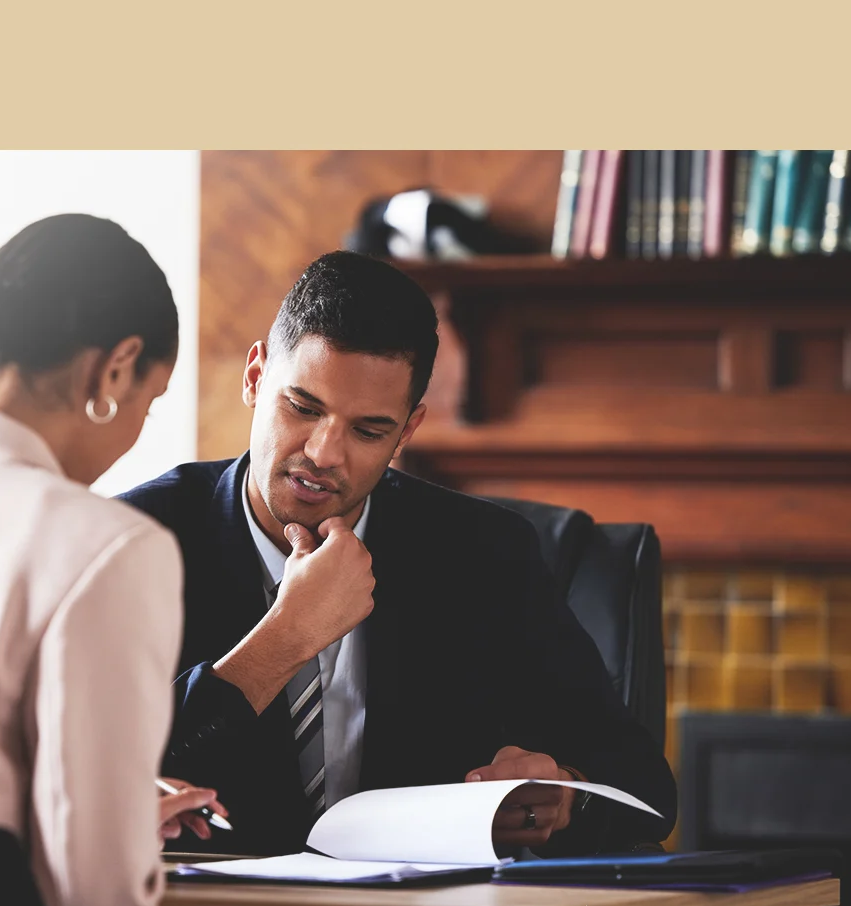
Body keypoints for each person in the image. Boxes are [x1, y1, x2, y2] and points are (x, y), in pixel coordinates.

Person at [120, 251, 676, 856]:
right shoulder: (130, 540)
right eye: (302, 408)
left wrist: (566, 794)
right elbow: (95, 776)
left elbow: (645, 787)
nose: (325, 452)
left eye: (368, 430)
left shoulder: (485, 553)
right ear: (256, 379)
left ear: (406, 431)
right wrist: (286, 636)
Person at [0, 214, 223, 906]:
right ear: (115, 368)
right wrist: (115, 836)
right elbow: (96, 904)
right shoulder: (107, 547)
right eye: (149, 405)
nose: (134, 434)